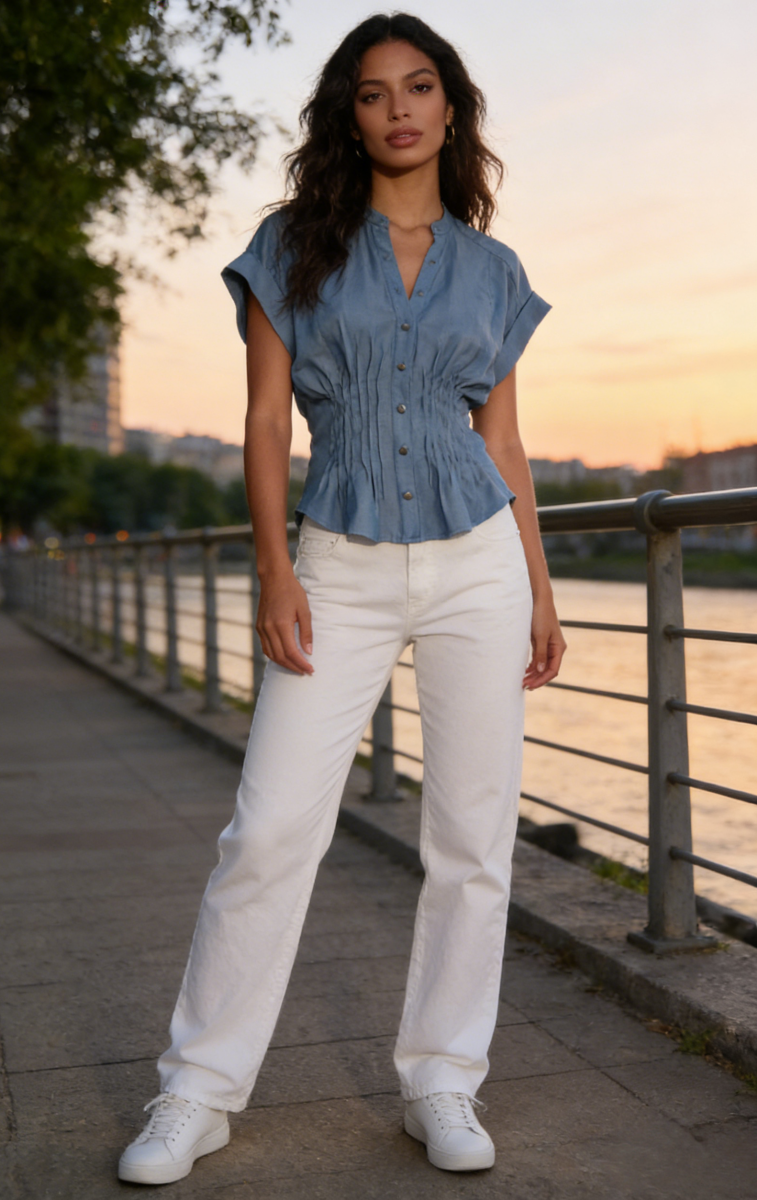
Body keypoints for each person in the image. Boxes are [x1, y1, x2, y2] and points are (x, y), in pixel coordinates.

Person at [118, 13, 566, 1185]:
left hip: (477, 562)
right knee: (269, 829)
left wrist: (539, 589)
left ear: (450, 109)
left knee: (471, 838)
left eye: (418, 88)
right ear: (347, 115)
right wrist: (274, 567)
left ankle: (440, 1080)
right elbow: (267, 420)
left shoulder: (492, 270)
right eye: (372, 93)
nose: (398, 109)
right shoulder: (291, 247)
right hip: (338, 565)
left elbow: (503, 443)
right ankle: (196, 1091)